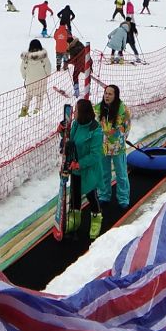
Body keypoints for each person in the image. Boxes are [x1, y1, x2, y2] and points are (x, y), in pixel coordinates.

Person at [66, 99, 104, 239]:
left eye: (76, 110)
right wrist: (63, 132)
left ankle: (96, 218)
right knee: (75, 194)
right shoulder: (76, 124)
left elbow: (95, 155)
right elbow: (70, 140)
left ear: (82, 112)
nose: (74, 113)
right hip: (75, 167)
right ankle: (74, 219)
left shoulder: (96, 130)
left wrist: (80, 163)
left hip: (89, 170)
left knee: (91, 195)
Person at [95, 84, 131, 209]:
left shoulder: (123, 110)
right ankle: (104, 195)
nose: (107, 96)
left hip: (117, 147)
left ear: (115, 96)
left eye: (110, 94)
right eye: (106, 93)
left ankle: (123, 198)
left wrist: (120, 139)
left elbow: (127, 127)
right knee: (104, 173)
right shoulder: (98, 109)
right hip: (103, 147)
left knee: (121, 174)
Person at [19, 39, 52, 116]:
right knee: (40, 97)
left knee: (28, 96)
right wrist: (47, 74)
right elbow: (48, 68)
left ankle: (24, 112)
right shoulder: (44, 57)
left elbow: (22, 69)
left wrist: (24, 77)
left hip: (30, 82)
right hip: (41, 82)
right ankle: (36, 113)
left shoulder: (26, 58)